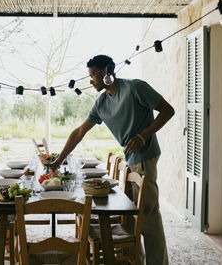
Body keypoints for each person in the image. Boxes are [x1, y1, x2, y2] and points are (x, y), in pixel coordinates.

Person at [51, 55, 174, 265]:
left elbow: (167, 110)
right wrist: (57, 161)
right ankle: (134, 259)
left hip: (145, 157)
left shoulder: (135, 87)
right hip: (130, 159)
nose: (90, 81)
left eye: (92, 75)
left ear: (106, 72)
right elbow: (80, 131)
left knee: (148, 216)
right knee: (129, 216)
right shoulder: (101, 101)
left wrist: (143, 136)